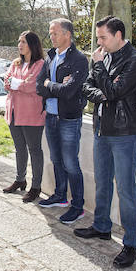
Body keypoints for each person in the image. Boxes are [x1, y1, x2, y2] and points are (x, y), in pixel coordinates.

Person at [74, 16, 136, 266]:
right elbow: (87, 87)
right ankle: (102, 226)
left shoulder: (134, 60)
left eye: (103, 37)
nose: (99, 42)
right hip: (102, 130)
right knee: (102, 182)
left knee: (126, 189)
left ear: (118, 35)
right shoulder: (105, 59)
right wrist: (103, 92)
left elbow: (115, 91)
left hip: (125, 133)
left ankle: (131, 244)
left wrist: (100, 72)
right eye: (98, 38)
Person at [36, 18, 89, 225]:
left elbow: (69, 92)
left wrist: (51, 84)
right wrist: (53, 84)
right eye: (50, 33)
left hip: (69, 119)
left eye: (55, 33)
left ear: (67, 34)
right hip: (50, 116)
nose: (51, 36)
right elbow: (39, 85)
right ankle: (60, 196)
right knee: (56, 160)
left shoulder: (78, 59)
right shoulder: (50, 56)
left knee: (71, 164)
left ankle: (77, 207)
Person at [2, 31, 46, 202]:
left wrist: (16, 84)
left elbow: (31, 86)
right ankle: (20, 179)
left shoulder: (40, 64)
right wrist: (17, 83)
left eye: (24, 42)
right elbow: (6, 81)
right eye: (19, 41)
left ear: (33, 45)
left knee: (34, 150)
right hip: (13, 112)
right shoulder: (16, 63)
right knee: (19, 148)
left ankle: (36, 186)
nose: (19, 45)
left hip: (31, 114)